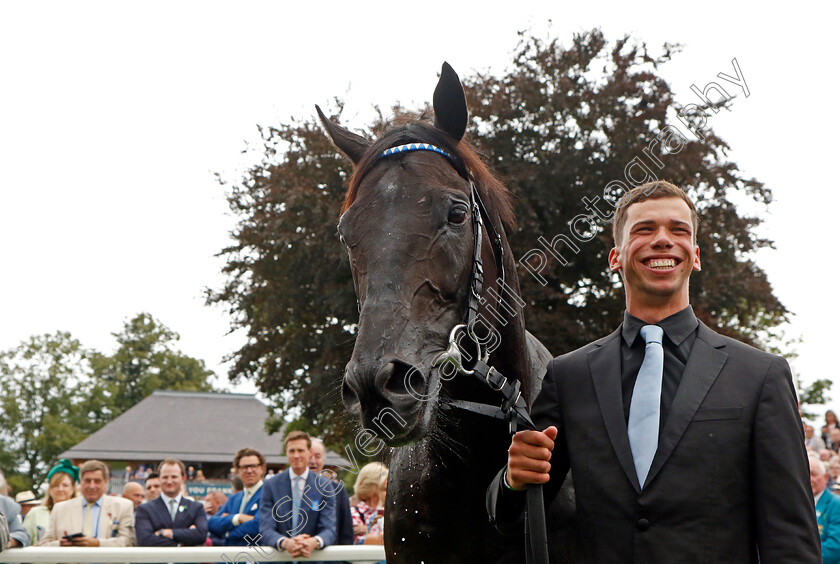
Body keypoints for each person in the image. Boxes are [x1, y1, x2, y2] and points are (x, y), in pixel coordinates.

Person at [487, 180, 821, 562]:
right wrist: (514, 482)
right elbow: (512, 517)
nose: (663, 240)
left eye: (678, 230)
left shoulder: (761, 375)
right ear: (615, 257)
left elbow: (791, 537)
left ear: (694, 255)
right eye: (645, 229)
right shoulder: (569, 376)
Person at [258, 430, 336, 563]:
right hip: (279, 559)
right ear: (286, 453)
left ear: (309, 452)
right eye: (291, 451)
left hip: (311, 559)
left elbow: (329, 529)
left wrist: (313, 542)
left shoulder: (324, 486)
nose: (296, 455)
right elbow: (265, 528)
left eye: (300, 450)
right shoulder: (270, 485)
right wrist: (285, 543)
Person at [39, 460, 134, 547]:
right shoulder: (60, 509)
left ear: (106, 481)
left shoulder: (123, 507)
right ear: (80, 482)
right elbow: (44, 544)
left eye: (97, 481)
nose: (92, 486)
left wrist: (98, 543)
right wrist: (60, 544)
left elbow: (127, 542)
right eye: (87, 481)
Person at [134, 459, 207, 546]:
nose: (169, 481)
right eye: (165, 477)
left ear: (183, 478)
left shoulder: (196, 508)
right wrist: (182, 543)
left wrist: (167, 533)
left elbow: (201, 535)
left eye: (174, 477)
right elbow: (145, 540)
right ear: (159, 479)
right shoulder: (144, 509)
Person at [208, 447, 265, 546]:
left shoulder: (269, 495)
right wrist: (237, 518)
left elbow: (258, 526)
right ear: (238, 470)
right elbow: (212, 523)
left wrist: (227, 532)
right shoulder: (234, 499)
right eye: (244, 467)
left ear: (261, 468)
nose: (249, 471)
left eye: (253, 466)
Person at [309, 439, 354, 548]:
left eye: (318, 457)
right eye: (309, 456)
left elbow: (346, 532)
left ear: (323, 461)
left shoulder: (338, 490)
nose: (313, 461)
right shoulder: (289, 489)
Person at [24, 460, 78, 543]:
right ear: (50, 489)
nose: (60, 489)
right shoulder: (35, 513)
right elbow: (24, 541)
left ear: (73, 488)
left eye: (65, 485)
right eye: (56, 485)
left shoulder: (80, 512)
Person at [811, 456, 840, 564]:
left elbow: (835, 547)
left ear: (826, 477)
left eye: (813, 474)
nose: (809, 479)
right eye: (806, 474)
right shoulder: (798, 504)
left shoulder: (836, 504)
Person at [349, 462, 387, 544]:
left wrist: (365, 529)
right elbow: (358, 541)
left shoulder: (388, 511)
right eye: (384, 488)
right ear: (373, 486)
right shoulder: (354, 512)